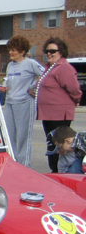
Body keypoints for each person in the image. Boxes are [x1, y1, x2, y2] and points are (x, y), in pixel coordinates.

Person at [32, 37, 82, 173]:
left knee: (60, 146)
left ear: (61, 52)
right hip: (48, 114)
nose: (49, 54)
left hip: (59, 114)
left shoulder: (64, 67)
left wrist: (76, 100)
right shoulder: (49, 68)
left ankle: (63, 172)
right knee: (51, 145)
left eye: (53, 51)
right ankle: (55, 171)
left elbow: (74, 89)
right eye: (47, 51)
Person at [0, 35, 44, 167]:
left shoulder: (31, 63)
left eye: (14, 50)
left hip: (24, 103)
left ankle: (24, 166)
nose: (10, 53)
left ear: (22, 51)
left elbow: (45, 75)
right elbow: (10, 82)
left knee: (23, 137)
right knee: (9, 135)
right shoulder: (10, 66)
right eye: (10, 50)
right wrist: (5, 88)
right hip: (10, 103)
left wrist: (33, 87)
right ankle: (13, 164)